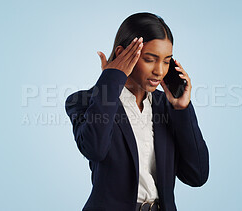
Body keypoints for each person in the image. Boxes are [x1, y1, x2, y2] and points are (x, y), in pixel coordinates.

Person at [65, 12, 209, 211]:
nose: (159, 71)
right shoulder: (85, 101)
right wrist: (111, 79)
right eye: (150, 59)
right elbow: (94, 148)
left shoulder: (166, 107)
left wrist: (182, 109)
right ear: (123, 53)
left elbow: (197, 175)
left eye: (166, 61)